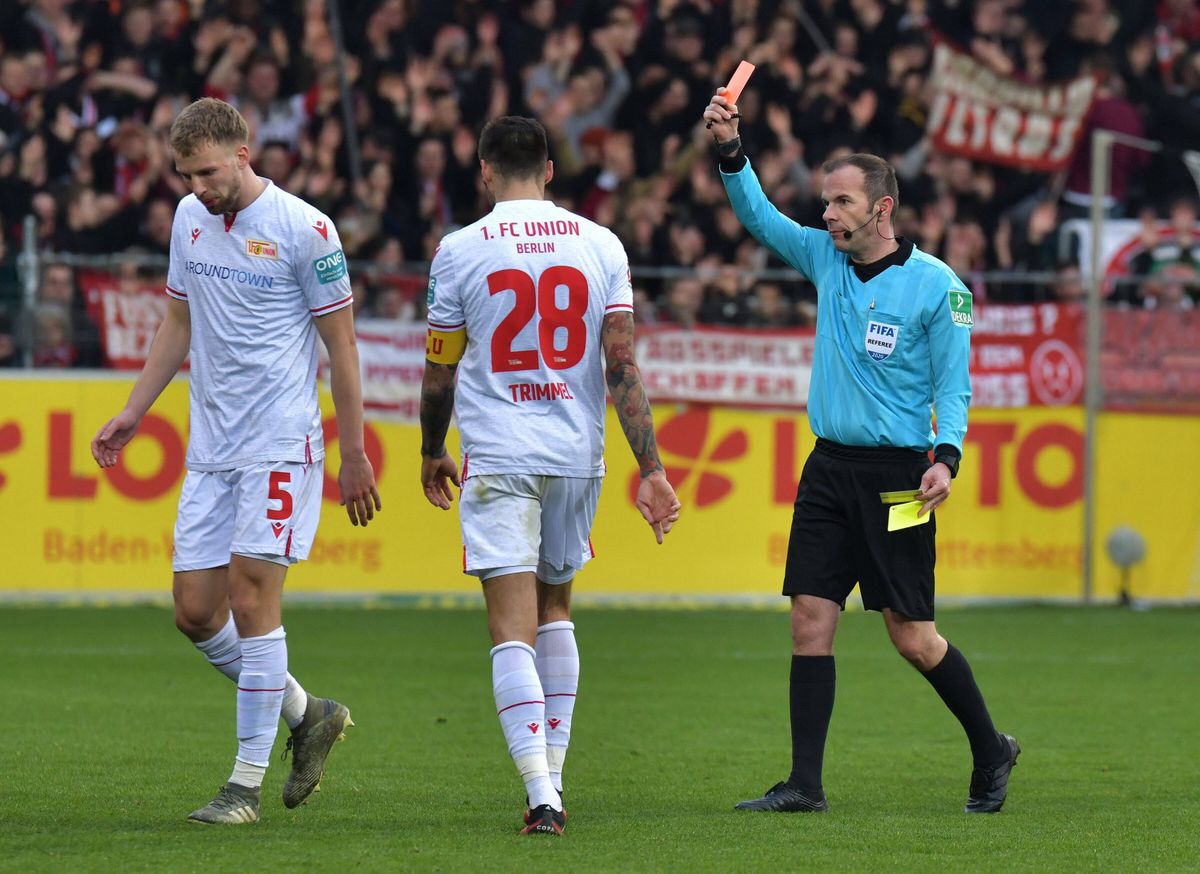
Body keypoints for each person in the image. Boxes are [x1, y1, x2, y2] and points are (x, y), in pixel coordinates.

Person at [703, 93, 1019, 815]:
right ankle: (805, 786)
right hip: (828, 470)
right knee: (809, 621)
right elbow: (759, 218)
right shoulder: (825, 258)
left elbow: (955, 387)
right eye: (826, 202)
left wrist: (946, 459)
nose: (828, 215)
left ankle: (990, 748)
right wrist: (731, 152)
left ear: (881, 209)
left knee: (913, 637)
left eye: (842, 203)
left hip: (900, 480)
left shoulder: (940, 287)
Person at [90, 98, 381, 825]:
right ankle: (308, 712)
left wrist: (354, 450)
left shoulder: (305, 229)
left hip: (281, 443)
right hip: (212, 448)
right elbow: (178, 321)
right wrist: (135, 409)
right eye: (184, 175)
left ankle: (243, 787)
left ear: (245, 155)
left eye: (208, 172)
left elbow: (342, 345)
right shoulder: (190, 221)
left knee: (253, 603)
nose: (197, 188)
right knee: (195, 613)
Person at [418, 116, 681, 837]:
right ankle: (552, 781)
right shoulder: (602, 245)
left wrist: (430, 447)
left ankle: (542, 795)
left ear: (482, 169)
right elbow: (621, 365)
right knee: (555, 610)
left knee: (511, 627)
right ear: (550, 170)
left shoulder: (460, 250)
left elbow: (440, 369)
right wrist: (651, 470)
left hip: (501, 452)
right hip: (576, 454)